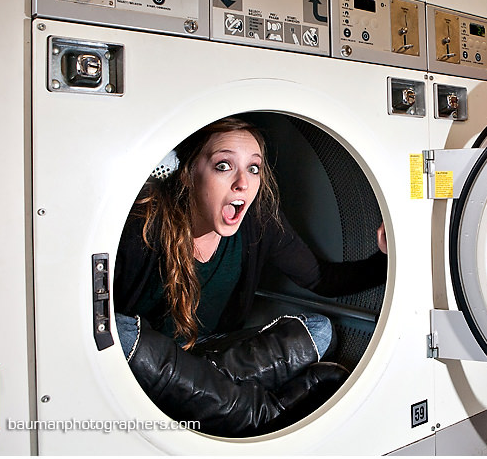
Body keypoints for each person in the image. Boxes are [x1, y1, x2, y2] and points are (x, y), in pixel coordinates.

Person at [113, 117, 387, 436]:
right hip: (141, 359)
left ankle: (189, 394)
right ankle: (253, 412)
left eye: (253, 168)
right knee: (114, 331)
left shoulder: (258, 220)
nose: (243, 183)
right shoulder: (143, 225)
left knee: (319, 330)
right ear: (188, 174)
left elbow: (321, 279)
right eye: (224, 165)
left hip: (209, 351)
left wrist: (384, 258)